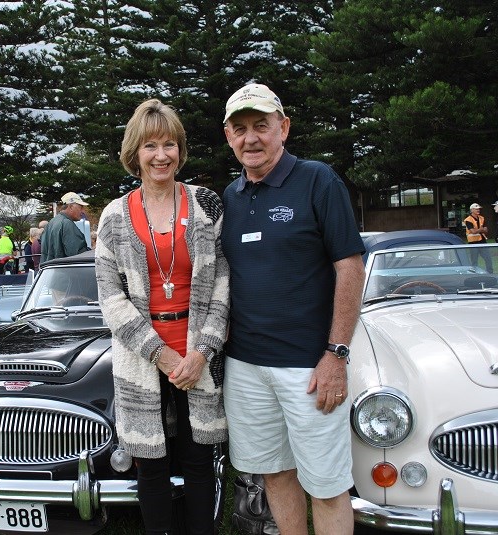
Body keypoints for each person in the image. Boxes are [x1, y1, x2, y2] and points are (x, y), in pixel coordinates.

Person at [220, 83, 365, 535]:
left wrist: (336, 354)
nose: (251, 138)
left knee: (326, 486)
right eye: (240, 129)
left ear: (283, 128)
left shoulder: (318, 180)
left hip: (310, 368)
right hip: (245, 366)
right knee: (276, 476)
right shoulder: (231, 196)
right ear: (229, 137)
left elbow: (350, 268)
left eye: (261, 125)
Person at [94, 98, 230, 535]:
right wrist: (163, 356)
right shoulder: (114, 217)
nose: (161, 155)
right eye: (150, 145)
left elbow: (224, 286)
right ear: (135, 152)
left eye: (170, 144)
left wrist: (200, 353)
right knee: (149, 467)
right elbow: (111, 299)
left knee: (197, 463)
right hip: (141, 361)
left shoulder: (206, 205)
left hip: (199, 358)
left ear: (180, 151)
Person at [39, 193, 89, 263]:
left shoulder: (51, 223)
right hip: (64, 272)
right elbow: (78, 256)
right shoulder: (67, 224)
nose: (83, 211)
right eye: (81, 207)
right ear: (71, 207)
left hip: (50, 271)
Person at [464, 203, 493, 272]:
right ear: (472, 210)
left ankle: (490, 272)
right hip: (473, 242)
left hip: (482, 241)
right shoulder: (468, 220)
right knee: (474, 260)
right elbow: (473, 231)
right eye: (476, 209)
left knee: (488, 258)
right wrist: (481, 229)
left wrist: (478, 230)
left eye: (479, 209)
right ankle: (475, 273)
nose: (478, 210)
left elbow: (486, 230)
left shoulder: (482, 218)